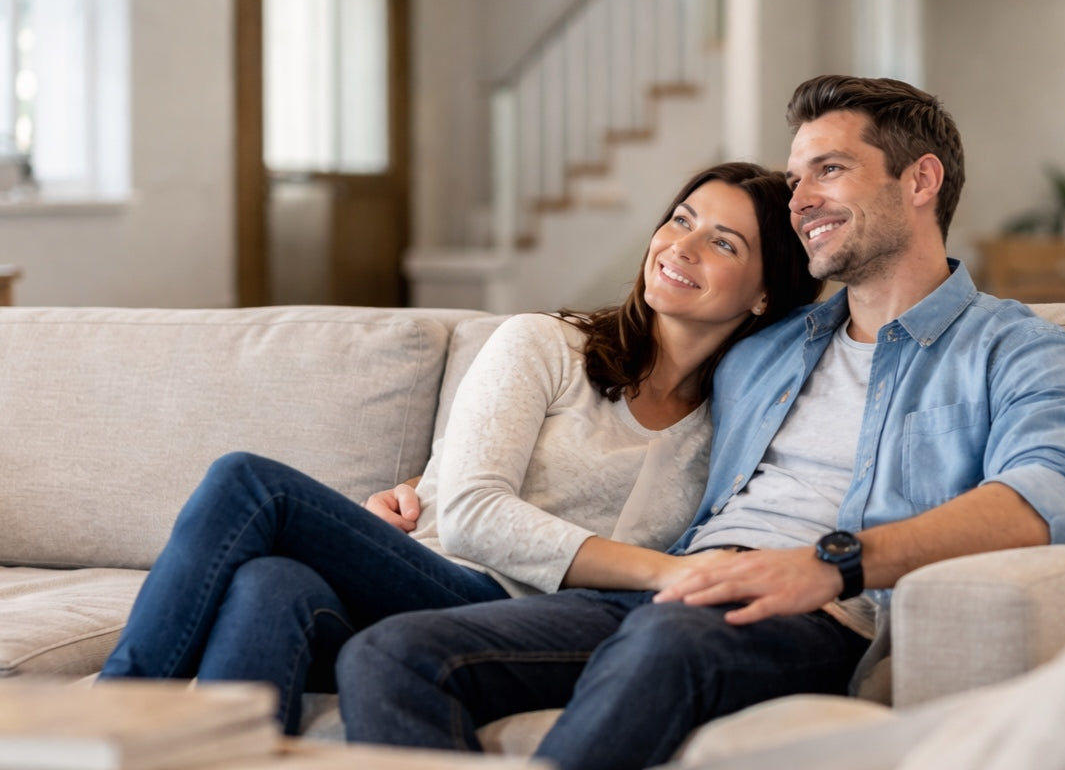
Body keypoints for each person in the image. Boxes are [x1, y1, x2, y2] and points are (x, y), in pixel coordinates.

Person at [334, 75, 1065, 770]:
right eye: (798, 174)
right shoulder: (764, 348)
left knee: (668, 641)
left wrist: (833, 564)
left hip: (814, 614)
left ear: (922, 180)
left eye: (830, 169)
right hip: (674, 589)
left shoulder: (1013, 347)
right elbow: (625, 412)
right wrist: (433, 483)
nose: (800, 196)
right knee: (392, 652)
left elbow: (1055, 491)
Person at [97, 161, 820, 734]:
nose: (680, 247)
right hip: (438, 574)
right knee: (258, 529)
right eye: (680, 220)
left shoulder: (733, 427)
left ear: (765, 295)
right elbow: (471, 514)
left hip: (524, 624)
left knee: (262, 537)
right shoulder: (545, 344)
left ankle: (119, 726)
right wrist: (667, 572)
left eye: (722, 243)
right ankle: (120, 719)